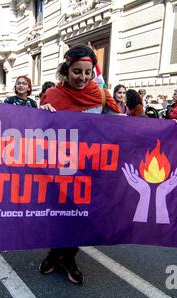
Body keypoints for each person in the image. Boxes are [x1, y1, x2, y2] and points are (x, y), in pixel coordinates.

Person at [39, 45, 120, 285]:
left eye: (87, 72)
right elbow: (36, 132)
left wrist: (165, 129)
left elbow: (124, 127)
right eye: (77, 72)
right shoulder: (52, 96)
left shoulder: (102, 96)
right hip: (57, 168)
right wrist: (41, 114)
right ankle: (56, 253)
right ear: (66, 70)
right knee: (58, 214)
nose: (83, 78)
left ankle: (68, 257)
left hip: (89, 169)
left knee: (79, 216)